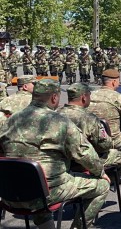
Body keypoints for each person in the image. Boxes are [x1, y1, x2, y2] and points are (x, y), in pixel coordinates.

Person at [0, 79, 109, 229]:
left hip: (11, 192)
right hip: (47, 193)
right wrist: (101, 172)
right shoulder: (59, 122)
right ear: (54, 97)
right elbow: (83, 152)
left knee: (38, 184)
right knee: (102, 186)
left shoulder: (10, 120)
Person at [58, 83, 121, 171]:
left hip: (63, 161)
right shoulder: (89, 118)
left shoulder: (56, 114)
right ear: (84, 97)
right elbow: (104, 146)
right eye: (89, 95)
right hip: (83, 162)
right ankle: (110, 180)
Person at [89, 69, 121, 149]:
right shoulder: (119, 98)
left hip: (91, 139)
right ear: (114, 82)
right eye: (118, 81)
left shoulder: (90, 95)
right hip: (112, 140)